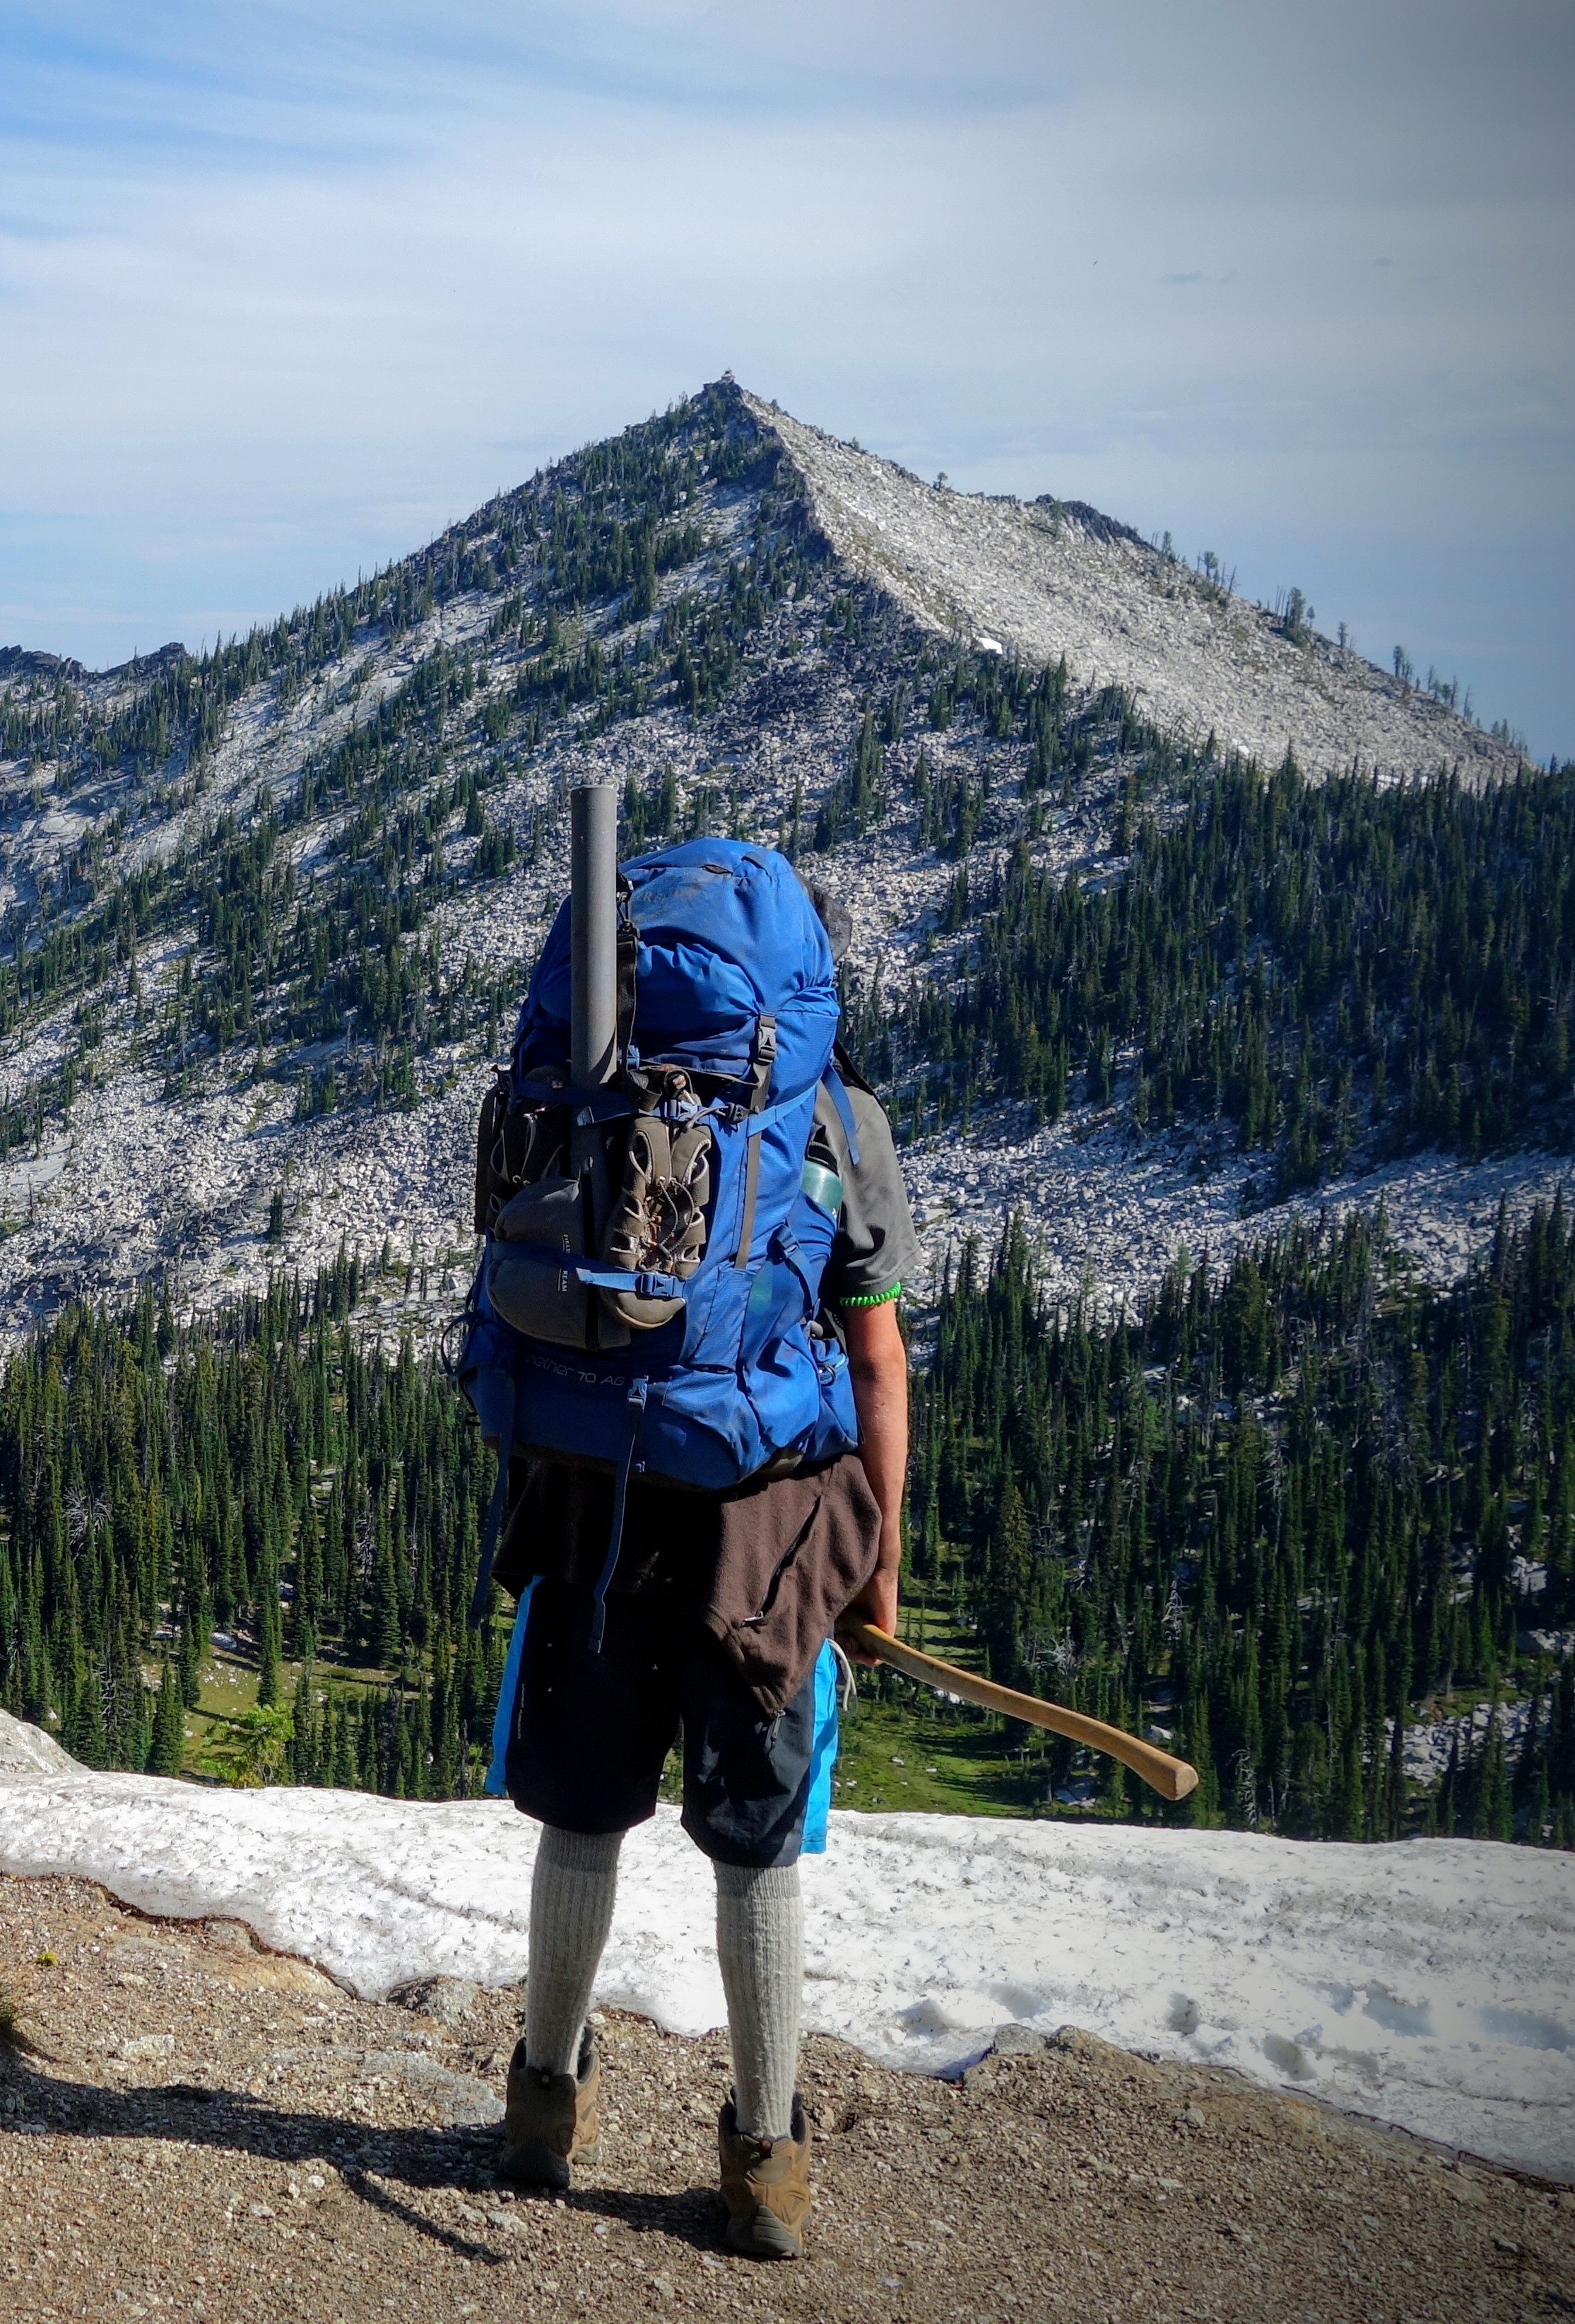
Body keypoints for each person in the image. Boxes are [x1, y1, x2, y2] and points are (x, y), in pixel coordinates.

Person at [484, 883, 916, 2261]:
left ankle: (542, 2107)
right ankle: (765, 2163)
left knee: (583, 1813)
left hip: (590, 1495)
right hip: (766, 1524)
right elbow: (877, 1355)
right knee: (755, 1844)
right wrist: (876, 1561)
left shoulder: (590, 1079)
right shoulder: (832, 1120)